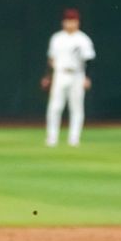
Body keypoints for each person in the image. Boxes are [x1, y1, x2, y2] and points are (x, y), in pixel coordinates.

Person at [41, 8, 96, 147]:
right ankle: (52, 138)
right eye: (68, 21)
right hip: (60, 74)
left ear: (77, 22)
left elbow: (89, 60)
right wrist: (48, 76)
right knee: (55, 107)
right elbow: (51, 59)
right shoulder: (57, 38)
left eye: (73, 21)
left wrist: (87, 77)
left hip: (77, 74)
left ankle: (74, 138)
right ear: (63, 22)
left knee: (76, 108)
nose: (70, 24)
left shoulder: (83, 39)